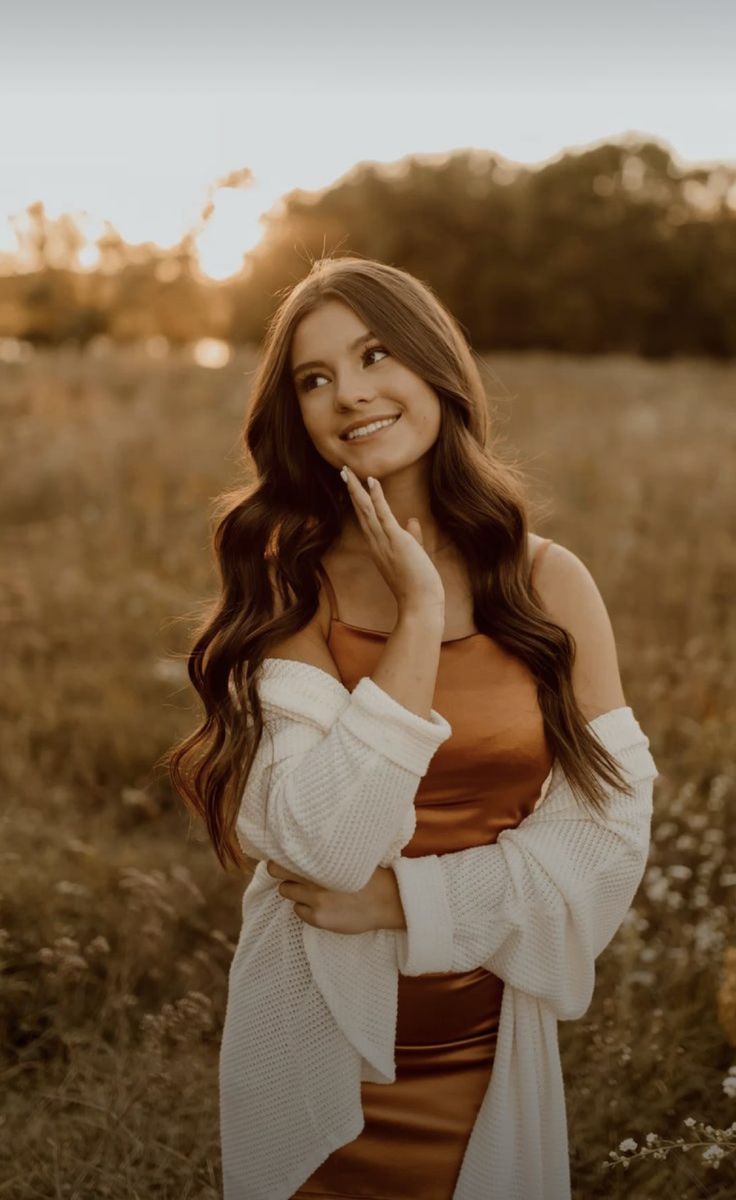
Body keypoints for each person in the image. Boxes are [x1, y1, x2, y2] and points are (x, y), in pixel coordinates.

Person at [166, 256, 659, 1200]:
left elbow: (608, 833)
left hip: (484, 1061)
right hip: (318, 1060)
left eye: (374, 355)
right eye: (315, 380)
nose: (349, 395)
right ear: (297, 417)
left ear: (435, 366)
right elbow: (322, 841)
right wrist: (421, 618)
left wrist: (409, 903)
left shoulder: (551, 582)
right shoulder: (290, 583)